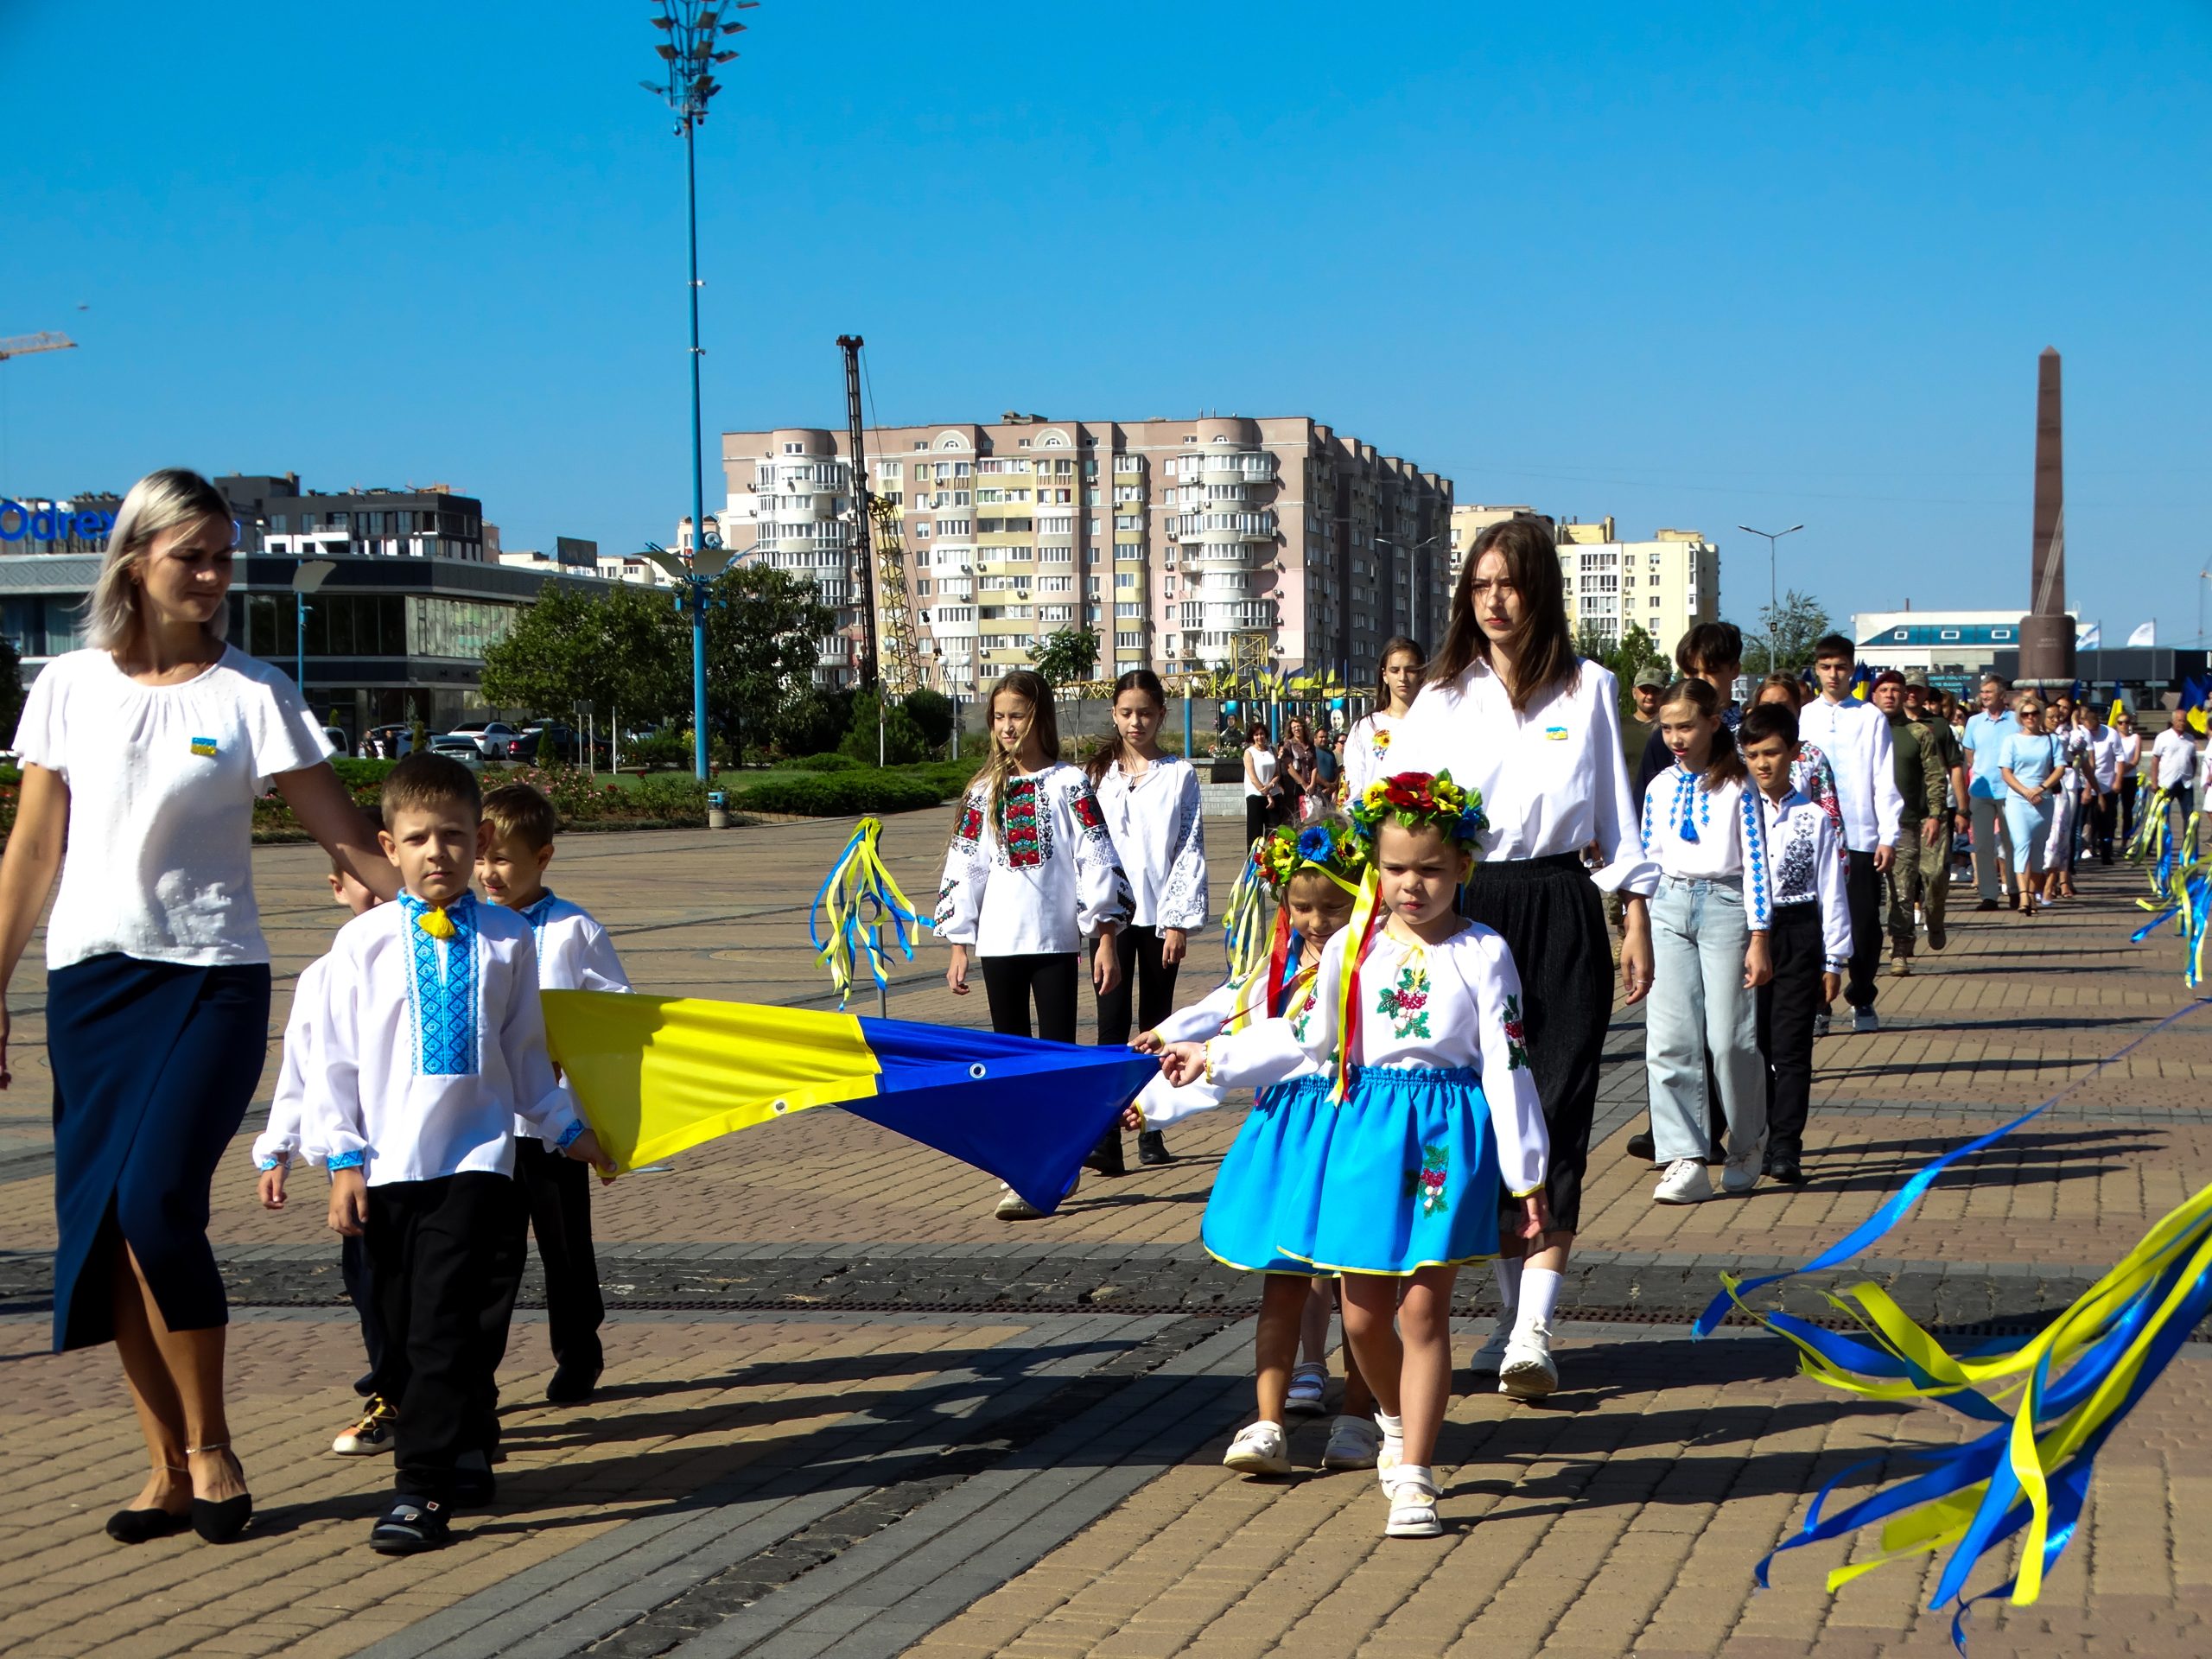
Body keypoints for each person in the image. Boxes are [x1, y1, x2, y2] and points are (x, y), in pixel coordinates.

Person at [0, 469, 397, 1547]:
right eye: (196, 558)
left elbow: (347, 833)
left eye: (226, 557)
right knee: (103, 1232)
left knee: (152, 1203)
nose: (218, 578)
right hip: (90, 985)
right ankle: (163, 1469)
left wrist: (455, 919)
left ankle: (212, 1444)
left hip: (209, 979)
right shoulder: (67, 685)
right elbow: (35, 850)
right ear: (136, 561)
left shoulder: (252, 693)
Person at [1160, 772, 1550, 1539]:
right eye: (1398, 868)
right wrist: (1213, 1056)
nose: (1413, 884)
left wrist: (1525, 1171)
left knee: (1423, 1308)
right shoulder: (1350, 947)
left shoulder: (1484, 952)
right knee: (1363, 1313)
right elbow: (1303, 1035)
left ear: (1463, 869)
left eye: (1432, 869)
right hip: (1366, 1125)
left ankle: (1415, 1474)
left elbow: (1508, 1060)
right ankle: (1395, 1419)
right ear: (1377, 865)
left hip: (1445, 1132)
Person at [301, 753, 612, 1554]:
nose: (436, 853)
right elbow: (331, 1062)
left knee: (447, 1324)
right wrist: (340, 1162)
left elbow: (524, 1051)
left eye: (452, 837)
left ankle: (423, 1486)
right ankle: (470, 1438)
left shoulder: (509, 940)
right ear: (388, 846)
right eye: (417, 839)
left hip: (476, 1163)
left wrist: (567, 1128)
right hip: (388, 1169)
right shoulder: (362, 945)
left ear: (477, 843)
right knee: (403, 1330)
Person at [1389, 515, 1656, 1397]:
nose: (1493, 601)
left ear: (1539, 589)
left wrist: (1635, 919)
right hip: (1464, 913)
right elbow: (1391, 820)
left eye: (1508, 583)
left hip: (1559, 905)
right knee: (1481, 1121)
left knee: (1558, 1113)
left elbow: (1615, 824)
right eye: (1479, 584)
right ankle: (1508, 1315)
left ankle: (1532, 1330)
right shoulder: (1439, 697)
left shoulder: (1589, 690)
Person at [1128, 821, 1377, 1476]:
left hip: (1352, 1129)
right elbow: (1223, 1022)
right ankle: (1268, 1420)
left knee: (1363, 1287)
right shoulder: (1277, 970)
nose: (1317, 922)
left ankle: (1358, 1415)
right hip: (1288, 1136)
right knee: (1283, 1282)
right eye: (1302, 908)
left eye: (1334, 907)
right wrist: (1151, 1093)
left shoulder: (1374, 967)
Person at [938, 669, 1132, 1220]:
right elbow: (966, 865)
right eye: (998, 717)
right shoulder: (983, 791)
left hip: (1053, 942)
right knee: (1009, 1060)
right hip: (998, 943)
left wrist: (1105, 937)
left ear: (1038, 717)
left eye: (1016, 716)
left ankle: (1058, 1162)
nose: (1006, 727)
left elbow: (1097, 857)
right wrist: (959, 942)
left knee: (1056, 1058)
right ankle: (1022, 1166)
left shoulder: (1070, 784)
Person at [476, 781, 630, 1404]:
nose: (489, 872)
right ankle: (475, 1370)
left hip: (554, 1125)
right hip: (486, 1122)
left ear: (543, 858)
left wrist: (577, 1057)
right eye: (482, 857)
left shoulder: (573, 930)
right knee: (490, 1256)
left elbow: (616, 1008)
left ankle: (578, 1350)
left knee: (565, 1245)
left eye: (503, 859)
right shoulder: (471, 927)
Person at [252, 864, 391, 1455]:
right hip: (357, 1165)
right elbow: (303, 1070)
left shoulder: (449, 954)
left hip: (435, 1160)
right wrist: (277, 1146)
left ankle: (454, 1405)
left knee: (439, 1289)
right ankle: (391, 1396)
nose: (379, 888)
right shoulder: (322, 976)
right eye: (363, 877)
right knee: (370, 1285)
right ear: (336, 886)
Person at [1639, 679, 1773, 1204]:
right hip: (1668, 906)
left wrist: (1759, 935)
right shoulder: (1659, 787)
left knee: (1731, 1041)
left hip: (1725, 907)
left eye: (1686, 726)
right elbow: (1650, 858)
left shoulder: (1737, 784)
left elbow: (1758, 862)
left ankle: (1745, 1142)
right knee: (1670, 1040)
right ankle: (1684, 1156)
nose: (1675, 737)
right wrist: (1639, 925)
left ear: (1714, 723)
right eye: (1668, 727)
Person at [1085, 669, 1206, 1173]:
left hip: (1159, 920)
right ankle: (1105, 1139)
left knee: (1156, 1028)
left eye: (1146, 713)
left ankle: (1151, 1127)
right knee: (1111, 1029)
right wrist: (1096, 923)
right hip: (1112, 924)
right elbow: (1087, 852)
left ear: (1161, 714)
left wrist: (1177, 921)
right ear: (1114, 714)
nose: (1136, 722)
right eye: (1126, 713)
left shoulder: (1179, 774)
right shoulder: (1095, 777)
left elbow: (1188, 848)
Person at [1739, 703, 1850, 1186]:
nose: (1763, 764)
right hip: (1744, 935)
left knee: (1791, 1047)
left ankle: (1787, 1146)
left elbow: (1832, 888)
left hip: (1799, 931)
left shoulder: (1814, 817)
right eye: (1753, 754)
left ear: (1793, 754)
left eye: (1773, 753)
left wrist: (1834, 957)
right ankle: (1754, 1136)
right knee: (1748, 1045)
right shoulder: (1736, 809)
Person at [1796, 634, 1904, 1033]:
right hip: (1815, 836)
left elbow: (1882, 778)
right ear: (1816, 670)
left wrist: (1888, 835)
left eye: (1840, 667)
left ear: (1852, 670)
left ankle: (1862, 995)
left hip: (1860, 835)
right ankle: (1820, 1003)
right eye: (1825, 667)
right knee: (1817, 920)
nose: (1832, 674)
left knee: (1862, 923)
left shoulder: (1869, 717)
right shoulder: (1805, 716)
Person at [1869, 671, 1948, 976]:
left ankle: (1900, 948)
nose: (1890, 695)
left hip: (1906, 822)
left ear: (1905, 697)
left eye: (1896, 690)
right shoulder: (1864, 729)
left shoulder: (1919, 732)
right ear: (1874, 695)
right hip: (1865, 826)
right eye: (1884, 690)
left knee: (1903, 889)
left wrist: (1935, 814)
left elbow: (1934, 776)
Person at [1635, 621, 1745, 804]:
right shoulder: (1664, 739)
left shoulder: (1751, 733)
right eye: (1692, 672)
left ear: (1735, 670)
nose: (1701, 680)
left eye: (1711, 671)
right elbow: (1644, 806)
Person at [1998, 694, 2062, 918]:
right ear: (2019, 717)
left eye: (2034, 713)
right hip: (2018, 799)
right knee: (2021, 843)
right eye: (2025, 714)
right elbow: (2006, 771)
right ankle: (2024, 894)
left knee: (2038, 848)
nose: (2030, 718)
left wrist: (2042, 788)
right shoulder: (2012, 741)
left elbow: (2060, 768)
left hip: (2043, 798)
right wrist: (2024, 791)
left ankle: (2033, 894)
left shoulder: (2052, 740)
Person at [1962, 675, 2019, 911]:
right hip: (1981, 790)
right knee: (1982, 844)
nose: (1984, 696)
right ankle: (1989, 895)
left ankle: (2016, 890)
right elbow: (1969, 754)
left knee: (2012, 843)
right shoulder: (1974, 722)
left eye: (1989, 692)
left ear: (2002, 696)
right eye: (1982, 692)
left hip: (2009, 789)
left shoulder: (2016, 721)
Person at [1344, 637, 1425, 802]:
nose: (1403, 677)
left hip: (1427, 822)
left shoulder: (1436, 724)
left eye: (1410, 670)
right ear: (1385, 675)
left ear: (1422, 672)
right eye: (1395, 670)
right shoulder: (1367, 727)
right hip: (1378, 822)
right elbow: (1354, 790)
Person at [2152, 706, 2199, 847]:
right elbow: (2155, 760)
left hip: (2185, 783)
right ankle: (2156, 845)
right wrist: (2154, 781)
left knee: (2189, 816)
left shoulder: (2190, 739)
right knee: (2160, 816)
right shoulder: (2163, 737)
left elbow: (2193, 759)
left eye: (2184, 721)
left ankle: (2188, 845)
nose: (2182, 723)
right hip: (2166, 783)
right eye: (2179, 720)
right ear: (2173, 721)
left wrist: (2191, 774)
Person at [2084, 703, 2124, 865]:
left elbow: (2120, 758)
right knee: (2086, 821)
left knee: (2106, 822)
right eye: (2090, 730)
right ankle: (2087, 849)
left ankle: (2106, 854)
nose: (2092, 733)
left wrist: (2118, 780)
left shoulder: (2111, 734)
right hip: (2086, 785)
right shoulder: (2081, 733)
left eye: (2095, 730)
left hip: (2106, 785)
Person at [1242, 721, 1283, 845]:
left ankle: (1272, 860)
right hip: (1256, 795)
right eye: (1256, 735)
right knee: (1255, 833)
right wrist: (1266, 793)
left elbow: (1277, 773)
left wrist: (1270, 786)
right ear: (1252, 737)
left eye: (1262, 734)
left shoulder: (1272, 750)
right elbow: (1252, 777)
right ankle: (1254, 861)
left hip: (1274, 793)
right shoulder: (1249, 752)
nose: (1260, 737)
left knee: (1274, 831)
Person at [1624, 664, 1667, 769]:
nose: (1650, 696)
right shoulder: (1617, 727)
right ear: (1634, 693)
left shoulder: (1669, 730)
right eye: (1645, 690)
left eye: (1655, 691)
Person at [1277, 716, 1318, 824]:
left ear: (1303, 727)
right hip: (1295, 787)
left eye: (1299, 726)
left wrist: (1312, 783)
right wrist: (1303, 783)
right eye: (1293, 727)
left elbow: (1314, 765)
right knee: (1296, 816)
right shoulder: (1289, 744)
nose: (1296, 729)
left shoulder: (1310, 744)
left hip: (1311, 786)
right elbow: (1288, 766)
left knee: (1311, 815)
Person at [2115, 709, 2144, 849]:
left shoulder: (2135, 738)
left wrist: (2123, 770)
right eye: (2120, 723)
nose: (2124, 725)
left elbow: (2135, 759)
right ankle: (2105, 840)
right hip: (2114, 778)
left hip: (2129, 777)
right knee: (2110, 810)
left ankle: (2124, 842)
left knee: (2127, 811)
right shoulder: (2114, 738)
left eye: (2126, 722)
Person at [1312, 727, 1342, 807]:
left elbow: (1336, 772)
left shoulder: (1330, 753)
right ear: (1315, 738)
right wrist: (1327, 784)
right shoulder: (1311, 752)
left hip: (1331, 791)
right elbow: (1312, 771)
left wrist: (1333, 787)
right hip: (1318, 790)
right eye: (1321, 737)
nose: (1324, 739)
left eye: (1326, 737)